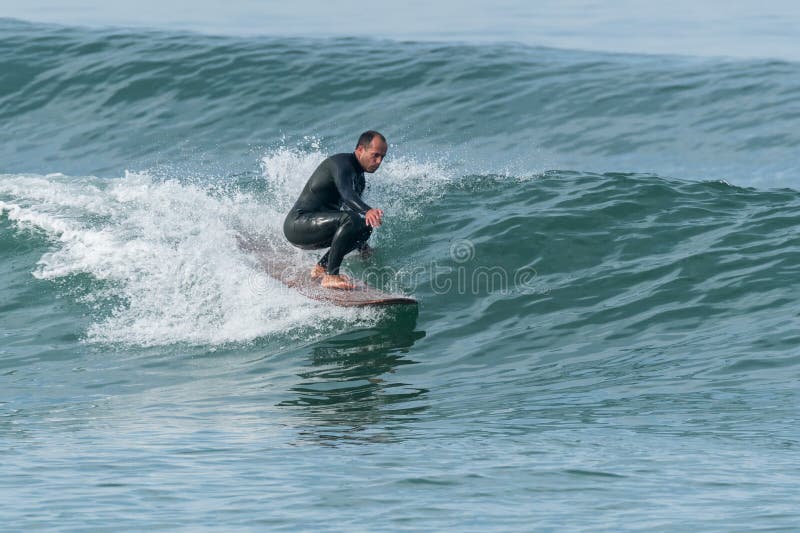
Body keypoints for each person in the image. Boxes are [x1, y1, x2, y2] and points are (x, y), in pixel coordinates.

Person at [283, 131, 387, 289]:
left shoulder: (359, 179)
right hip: (297, 225)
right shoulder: (341, 164)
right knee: (351, 219)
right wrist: (368, 210)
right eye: (375, 155)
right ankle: (331, 276)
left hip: (317, 227)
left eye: (382, 157)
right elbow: (347, 196)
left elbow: (351, 219)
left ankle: (321, 268)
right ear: (360, 150)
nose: (379, 161)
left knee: (365, 226)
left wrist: (362, 246)